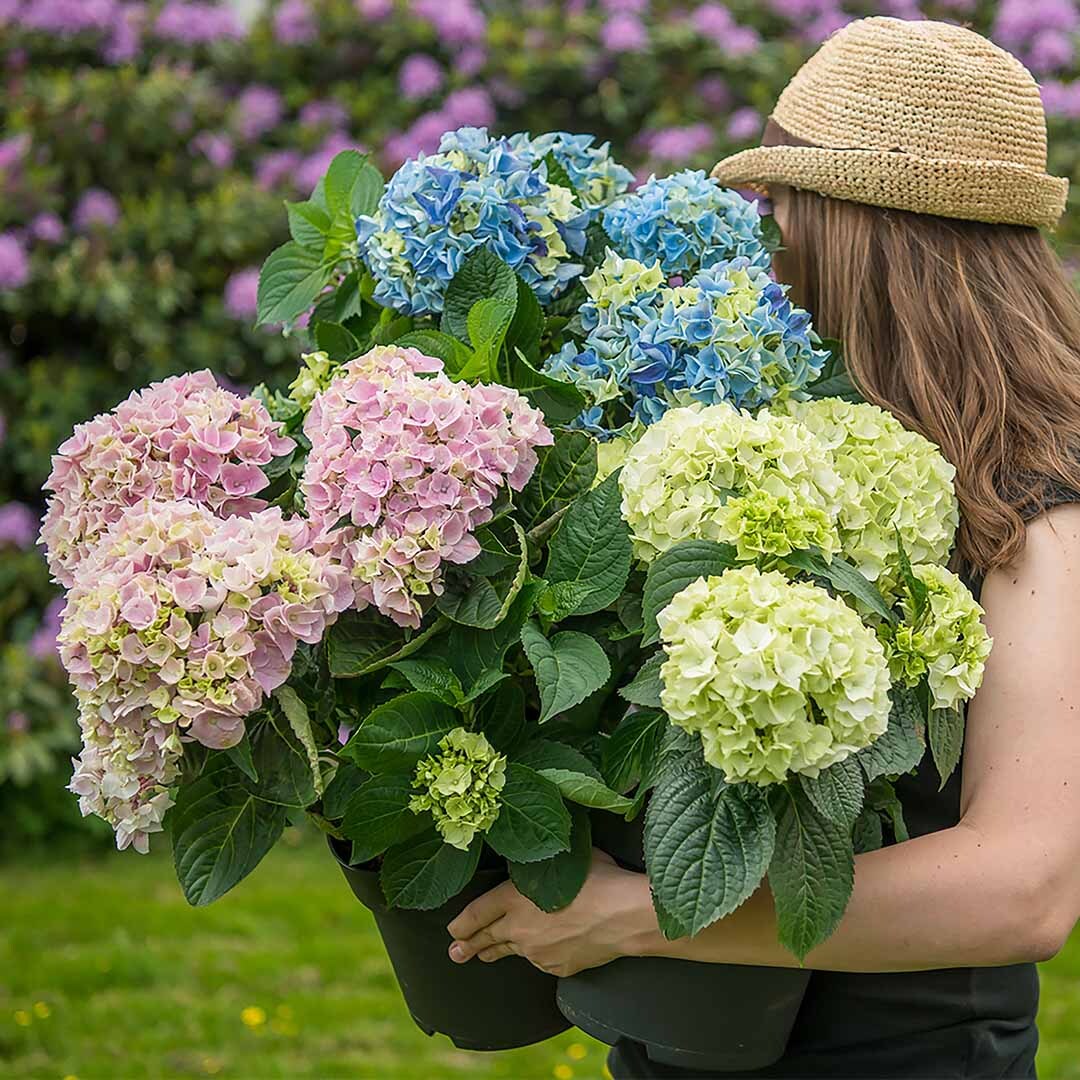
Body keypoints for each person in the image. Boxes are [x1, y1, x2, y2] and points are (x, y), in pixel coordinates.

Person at [446, 16, 1080, 1079]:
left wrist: (646, 916)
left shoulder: (1035, 502)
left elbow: (1024, 888)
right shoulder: (779, 438)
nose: (761, 239)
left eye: (779, 208)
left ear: (853, 231)